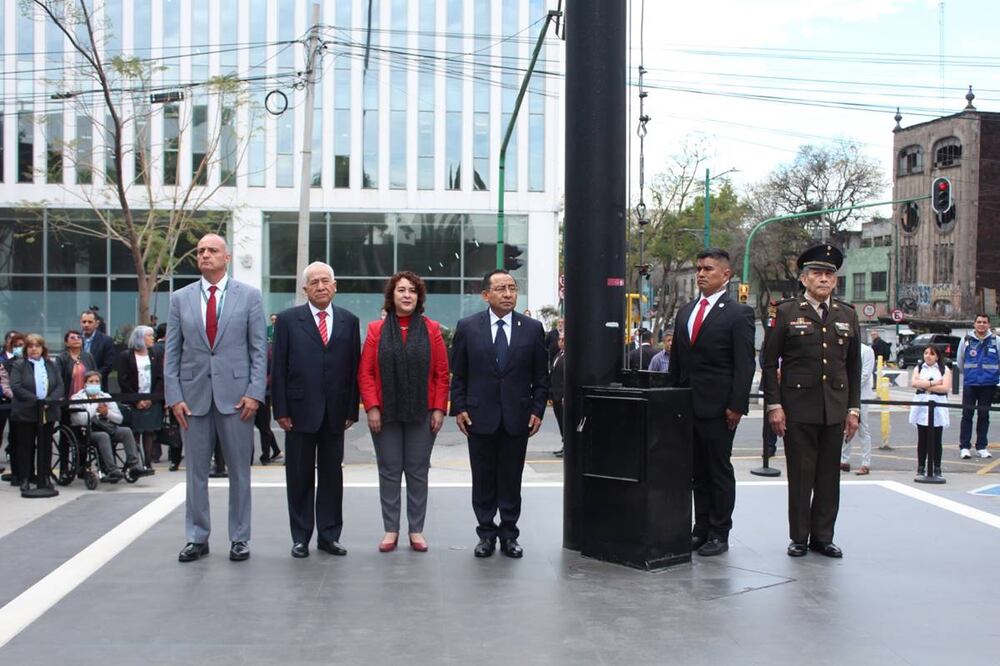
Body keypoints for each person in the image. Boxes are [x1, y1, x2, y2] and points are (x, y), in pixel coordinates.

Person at [164, 233, 267, 563]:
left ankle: (240, 538)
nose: (205, 255)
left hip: (237, 399)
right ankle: (197, 536)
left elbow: (258, 351)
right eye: (200, 251)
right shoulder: (181, 299)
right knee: (195, 471)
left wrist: (254, 393)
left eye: (212, 250)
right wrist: (174, 396)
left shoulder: (249, 297)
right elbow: (172, 353)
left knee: (240, 471)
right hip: (192, 399)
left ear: (228, 257)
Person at [762, 244, 861, 559]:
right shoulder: (787, 311)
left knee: (829, 477)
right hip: (798, 407)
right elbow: (768, 362)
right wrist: (774, 405)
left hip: (834, 406)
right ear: (804, 279)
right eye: (817, 273)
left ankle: (823, 536)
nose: (824, 279)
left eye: (829, 274)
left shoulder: (847, 314)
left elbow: (854, 366)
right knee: (802, 475)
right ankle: (800, 537)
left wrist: (854, 408)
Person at [450, 269, 550, 559]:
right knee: (483, 479)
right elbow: (459, 375)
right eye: (501, 289)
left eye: (512, 288)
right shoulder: (468, 327)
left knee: (511, 478)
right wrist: (460, 408)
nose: (508, 294)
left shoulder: (531, 329)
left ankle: (509, 533)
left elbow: (541, 377)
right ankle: (485, 533)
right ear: (486, 295)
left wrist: (537, 410)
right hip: (479, 417)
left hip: (517, 417)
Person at [667, 249, 755, 557]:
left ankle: (720, 532)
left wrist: (736, 405)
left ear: (726, 275)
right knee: (695, 473)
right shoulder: (686, 311)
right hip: (686, 406)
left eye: (708, 269)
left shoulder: (738, 313)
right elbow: (677, 361)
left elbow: (745, 364)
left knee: (718, 470)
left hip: (719, 408)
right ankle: (699, 529)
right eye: (699, 268)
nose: (701, 274)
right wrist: (672, 398)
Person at [271, 261, 359, 559]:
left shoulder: (349, 320)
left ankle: (329, 535)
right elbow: (279, 368)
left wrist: (352, 409)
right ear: (305, 289)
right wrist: (280, 408)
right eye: (315, 282)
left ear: (335, 286)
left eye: (326, 281)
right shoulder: (286, 320)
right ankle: (300, 536)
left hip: (336, 413)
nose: (321, 287)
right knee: (299, 476)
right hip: (298, 412)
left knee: (333, 477)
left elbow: (353, 369)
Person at [358, 271, 450, 553]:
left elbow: (441, 373)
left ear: (419, 297)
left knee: (417, 471)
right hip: (385, 414)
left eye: (412, 290)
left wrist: (438, 409)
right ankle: (391, 530)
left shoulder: (432, 329)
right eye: (401, 290)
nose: (407, 295)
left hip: (423, 413)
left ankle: (416, 530)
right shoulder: (376, 330)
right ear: (392, 296)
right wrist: (372, 407)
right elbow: (367, 373)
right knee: (389, 470)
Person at [69, 371, 152, 482]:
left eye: (97, 382)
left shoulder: (105, 396)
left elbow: (119, 419)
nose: (94, 384)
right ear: (85, 384)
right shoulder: (77, 398)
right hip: (87, 431)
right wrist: (95, 404)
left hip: (107, 427)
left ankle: (134, 465)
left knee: (126, 431)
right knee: (103, 436)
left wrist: (107, 412)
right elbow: (81, 420)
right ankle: (111, 470)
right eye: (91, 381)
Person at [8, 334, 63, 493]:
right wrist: (36, 400)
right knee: (26, 446)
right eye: (31, 346)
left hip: (48, 411)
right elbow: (16, 386)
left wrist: (48, 400)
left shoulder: (50, 365)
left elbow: (59, 385)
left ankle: (44, 476)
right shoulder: (20, 365)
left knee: (45, 445)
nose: (34, 349)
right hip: (26, 411)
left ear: (42, 349)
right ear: (26, 349)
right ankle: (25, 478)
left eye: (37, 346)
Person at [117, 326, 164, 470]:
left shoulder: (155, 354)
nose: (152, 339)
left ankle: (148, 463)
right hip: (134, 399)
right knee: (135, 432)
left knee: (149, 432)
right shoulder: (126, 355)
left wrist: (151, 398)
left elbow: (160, 377)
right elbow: (123, 379)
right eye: (149, 336)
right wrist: (136, 400)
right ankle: (134, 462)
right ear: (140, 338)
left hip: (151, 397)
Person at [55, 329, 97, 479]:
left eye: (78, 337)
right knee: (66, 436)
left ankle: (82, 467)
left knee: (84, 435)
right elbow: (58, 379)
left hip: (86, 400)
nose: (76, 339)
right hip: (68, 401)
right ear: (66, 342)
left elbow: (94, 376)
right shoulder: (62, 358)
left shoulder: (88, 357)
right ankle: (64, 469)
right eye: (72, 337)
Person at [955, 314, 997, 459]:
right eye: (979, 322)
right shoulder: (966, 340)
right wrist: (969, 374)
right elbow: (960, 361)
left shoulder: (996, 341)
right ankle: (965, 447)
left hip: (989, 384)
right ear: (974, 324)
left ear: (989, 325)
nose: (981, 325)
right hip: (970, 384)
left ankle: (981, 447)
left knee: (984, 416)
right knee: (967, 415)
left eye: (984, 322)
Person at [908, 345, 951, 479]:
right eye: (926, 353)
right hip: (922, 404)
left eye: (931, 354)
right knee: (922, 438)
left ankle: (937, 466)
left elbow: (945, 388)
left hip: (937, 406)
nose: (928, 356)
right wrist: (933, 383)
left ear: (937, 356)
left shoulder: (944, 369)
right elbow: (914, 383)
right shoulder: (919, 368)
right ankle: (921, 466)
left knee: (937, 439)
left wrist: (925, 384)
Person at [841, 342, 876, 475]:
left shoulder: (866, 351)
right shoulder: (845, 347)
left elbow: (865, 375)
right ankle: (844, 459)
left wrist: (848, 388)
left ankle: (865, 462)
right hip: (845, 394)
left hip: (861, 395)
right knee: (845, 427)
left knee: (863, 429)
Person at [0, 332, 26, 481]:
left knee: (22, 439)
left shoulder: (33, 362)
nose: (19, 348)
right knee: (14, 438)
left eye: (21, 345)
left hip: (27, 405)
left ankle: (26, 472)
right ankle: (16, 473)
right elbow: (5, 385)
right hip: (9, 402)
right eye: (15, 345)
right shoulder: (5, 363)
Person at [80, 310, 115, 390]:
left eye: (90, 322)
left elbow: (108, 365)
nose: (86, 325)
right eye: (84, 322)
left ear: (97, 324)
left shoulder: (106, 341)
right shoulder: (75, 339)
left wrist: (93, 377)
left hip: (98, 384)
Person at [550, 334, 566, 457]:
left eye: (563, 340)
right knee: (560, 422)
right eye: (559, 339)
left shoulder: (569, 356)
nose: (560, 342)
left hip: (562, 396)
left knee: (565, 422)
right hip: (555, 395)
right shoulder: (558, 354)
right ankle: (563, 443)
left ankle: (567, 446)